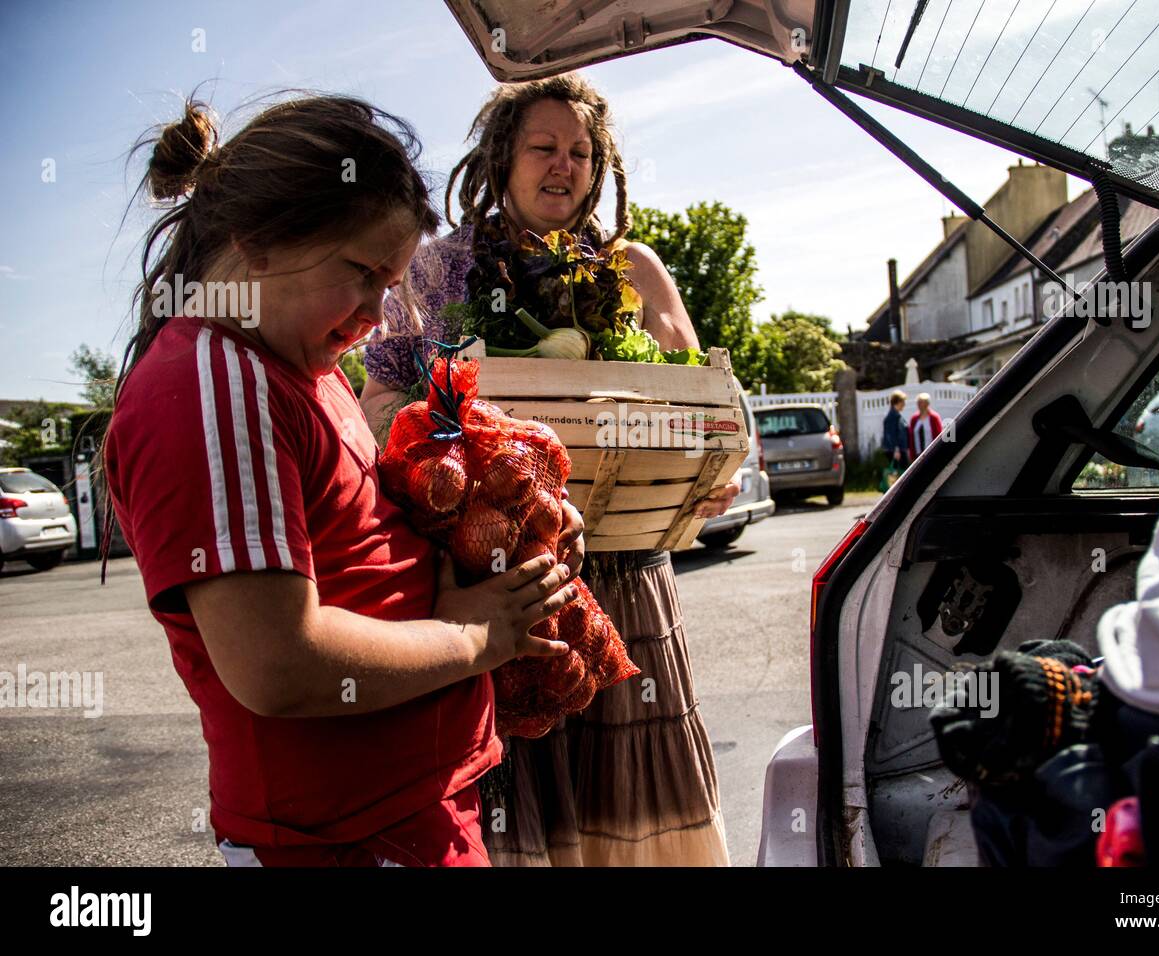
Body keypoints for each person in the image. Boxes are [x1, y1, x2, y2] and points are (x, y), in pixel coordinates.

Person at [101, 95, 585, 867]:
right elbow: (279, 665)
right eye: (362, 272)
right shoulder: (211, 383)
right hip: (340, 836)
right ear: (259, 242)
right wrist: (473, 637)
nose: (376, 312)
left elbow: (361, 552)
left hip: (408, 813)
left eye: (389, 282)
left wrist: (510, 520)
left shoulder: (302, 364)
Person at [361, 73, 737, 867]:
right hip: (502, 585)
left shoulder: (631, 265)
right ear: (502, 158)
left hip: (628, 582)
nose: (563, 165)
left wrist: (721, 467)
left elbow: (707, 399)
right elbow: (380, 397)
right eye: (543, 147)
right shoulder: (439, 270)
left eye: (580, 151)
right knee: (518, 807)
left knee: (633, 806)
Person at [908, 392, 944, 462]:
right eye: (918, 402)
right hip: (917, 455)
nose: (919, 404)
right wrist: (911, 454)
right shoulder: (914, 419)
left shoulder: (934, 417)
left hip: (931, 453)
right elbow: (911, 437)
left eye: (921, 402)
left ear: (927, 403)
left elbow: (939, 435)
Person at [881, 390, 909, 469]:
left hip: (900, 450)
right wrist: (896, 450)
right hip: (896, 452)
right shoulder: (892, 417)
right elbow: (891, 435)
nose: (904, 404)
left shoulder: (897, 415)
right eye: (903, 401)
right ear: (898, 402)